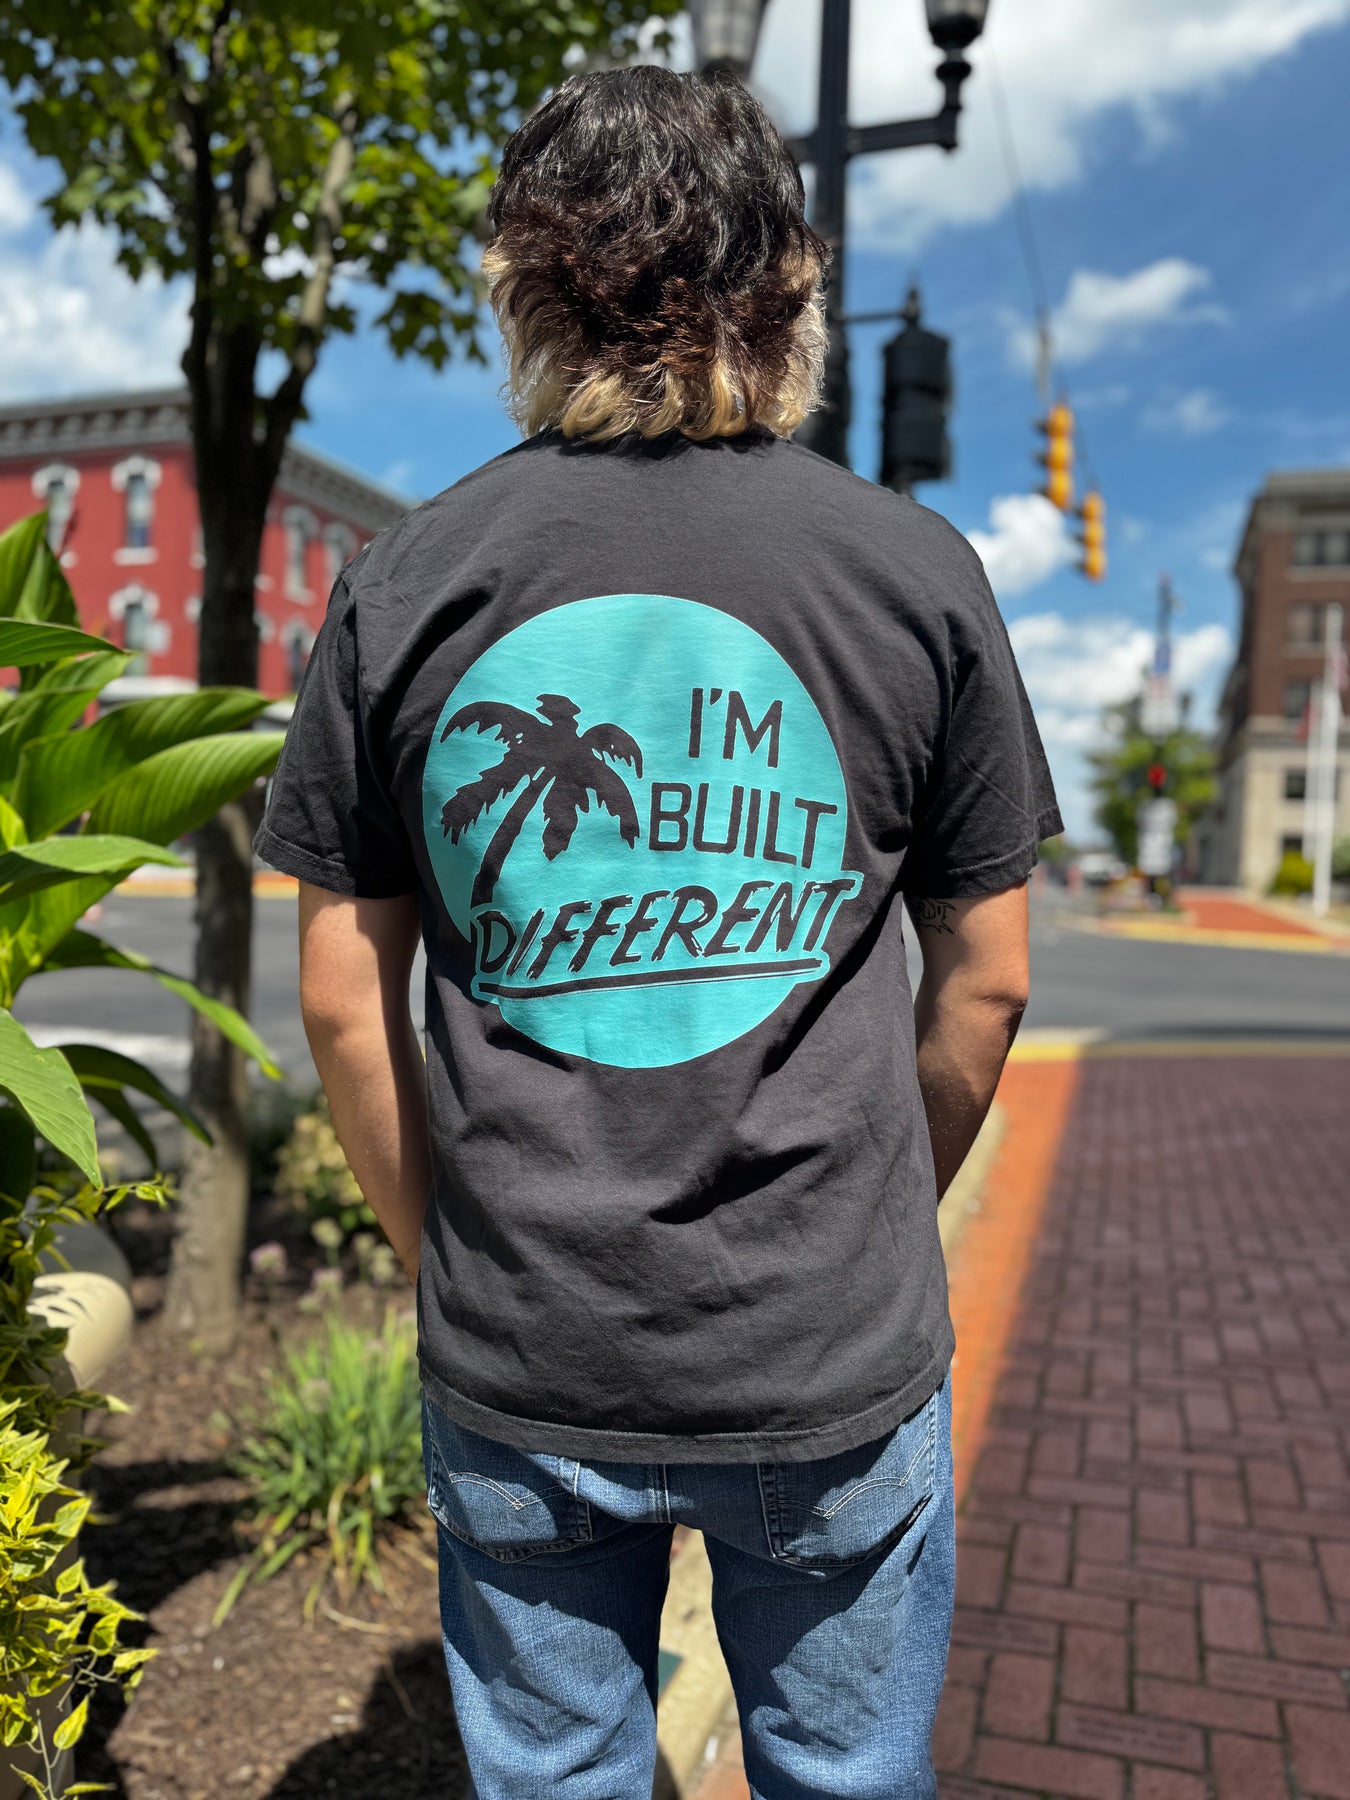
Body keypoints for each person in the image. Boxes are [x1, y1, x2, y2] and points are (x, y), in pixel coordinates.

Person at [258, 63, 1060, 1800]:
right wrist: (863, 1226)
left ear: (520, 287)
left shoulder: (408, 576)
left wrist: (443, 1254)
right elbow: (987, 981)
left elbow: (340, 998)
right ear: (792, 283)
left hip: (522, 1348)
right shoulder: (911, 569)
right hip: (826, 1349)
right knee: (846, 1779)